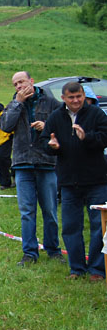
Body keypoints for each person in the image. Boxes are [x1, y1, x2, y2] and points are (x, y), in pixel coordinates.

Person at [42, 81, 107, 281]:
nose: (76, 100)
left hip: (96, 181)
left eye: (79, 96)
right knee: (71, 226)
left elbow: (104, 138)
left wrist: (87, 138)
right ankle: (76, 268)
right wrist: (51, 146)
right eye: (71, 97)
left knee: (99, 226)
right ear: (63, 98)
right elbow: (44, 141)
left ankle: (97, 269)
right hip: (69, 182)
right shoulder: (55, 117)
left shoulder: (96, 114)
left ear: (84, 96)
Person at [0, 71, 64, 266]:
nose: (19, 86)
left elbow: (63, 127)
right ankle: (29, 253)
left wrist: (47, 126)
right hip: (22, 164)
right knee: (27, 212)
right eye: (15, 84)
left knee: (50, 211)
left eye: (21, 82)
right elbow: (5, 126)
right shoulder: (13, 104)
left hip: (46, 163)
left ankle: (53, 250)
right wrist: (17, 103)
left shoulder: (51, 103)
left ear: (31, 81)